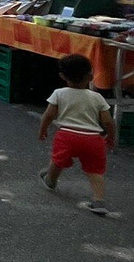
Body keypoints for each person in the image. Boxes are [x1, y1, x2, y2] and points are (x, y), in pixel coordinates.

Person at [38, 54, 117, 215]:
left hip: (67, 136)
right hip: (93, 139)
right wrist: (110, 135)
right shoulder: (97, 97)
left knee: (58, 161)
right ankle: (98, 200)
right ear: (90, 76)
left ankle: (51, 180)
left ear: (62, 76)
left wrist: (43, 129)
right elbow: (108, 121)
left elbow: (48, 115)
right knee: (95, 171)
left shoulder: (59, 93)